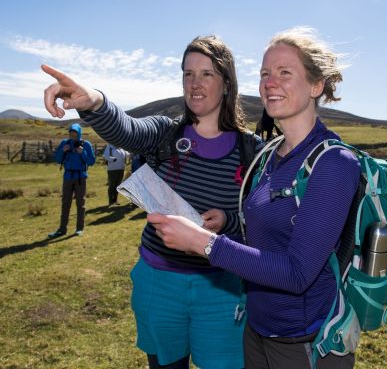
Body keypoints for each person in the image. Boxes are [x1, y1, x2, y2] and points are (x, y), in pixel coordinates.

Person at [42, 35, 263, 369]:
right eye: (188, 74)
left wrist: (229, 222)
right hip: (159, 285)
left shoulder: (252, 150)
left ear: (227, 82)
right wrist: (93, 101)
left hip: (223, 289)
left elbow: (263, 222)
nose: (195, 84)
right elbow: (126, 130)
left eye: (206, 74)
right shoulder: (165, 133)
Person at [148, 27, 360, 368]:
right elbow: (261, 237)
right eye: (264, 73)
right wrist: (227, 223)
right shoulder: (269, 156)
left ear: (316, 85)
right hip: (255, 331)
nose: (270, 82)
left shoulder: (333, 163)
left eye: (284, 73)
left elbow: (296, 273)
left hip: (303, 341)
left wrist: (204, 243)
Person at [48, 123, 96, 238]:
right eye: (71, 134)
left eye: (75, 134)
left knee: (80, 203)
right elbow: (58, 160)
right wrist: (62, 151)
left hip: (80, 177)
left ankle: (79, 228)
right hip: (68, 177)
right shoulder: (65, 143)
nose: (73, 136)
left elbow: (91, 162)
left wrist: (82, 152)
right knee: (65, 203)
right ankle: (62, 229)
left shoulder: (86, 144)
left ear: (79, 134)